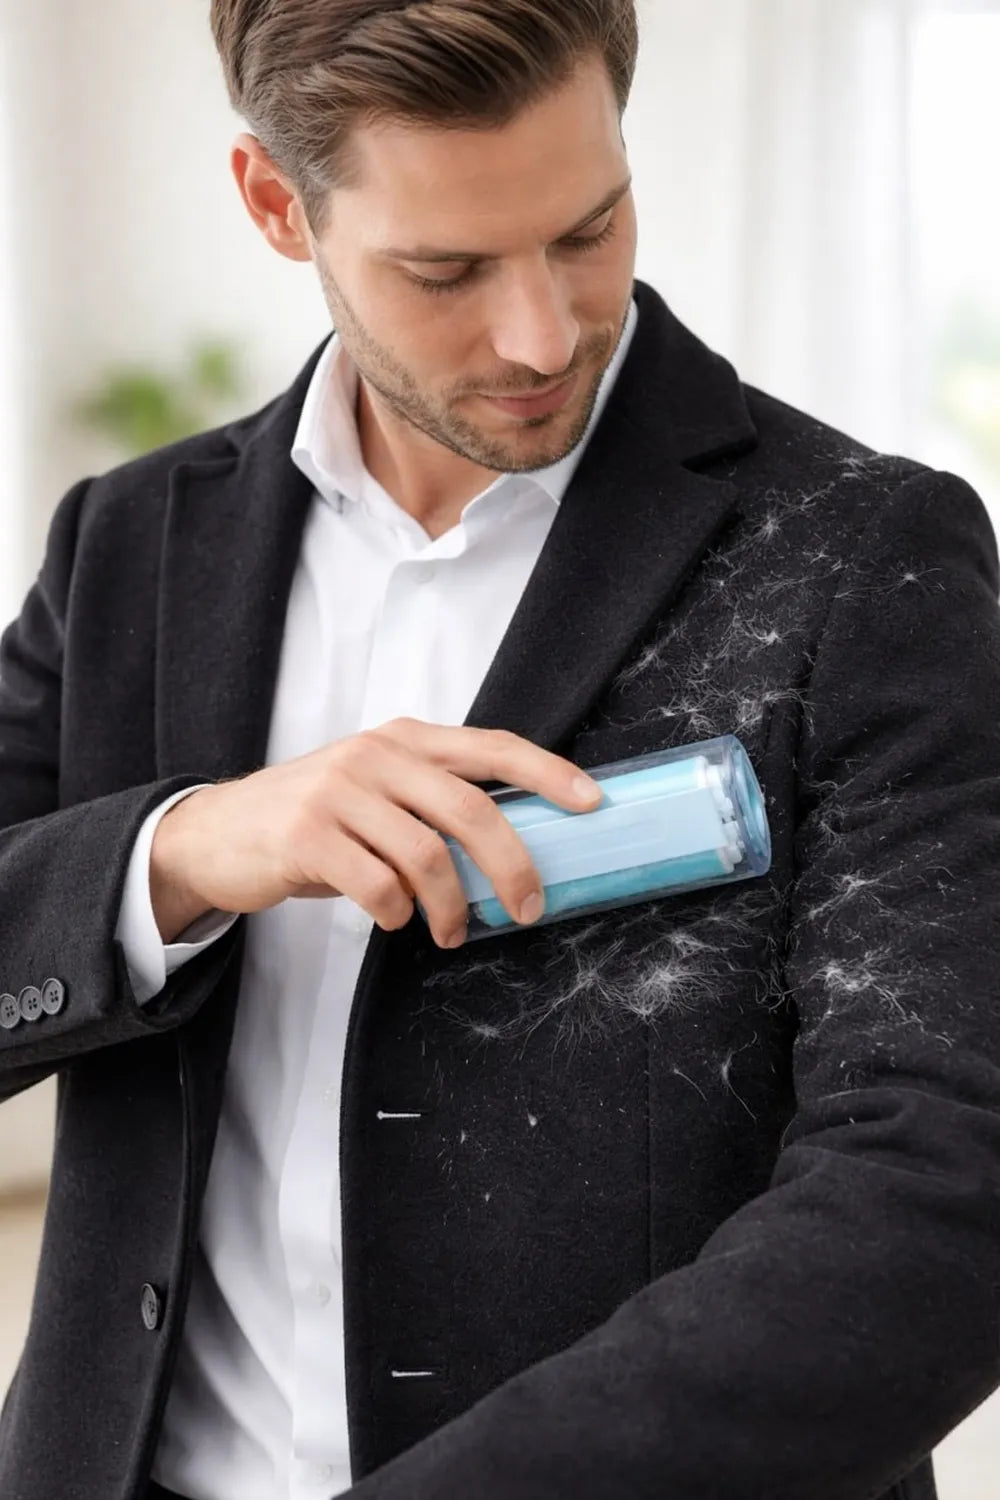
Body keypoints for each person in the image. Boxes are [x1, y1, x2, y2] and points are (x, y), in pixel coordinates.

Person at [1, 2, 998, 1497]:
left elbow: (947, 1181)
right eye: (446, 270)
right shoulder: (129, 546)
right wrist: (186, 850)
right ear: (279, 205)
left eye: (590, 229)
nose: (543, 334)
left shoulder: (865, 553)